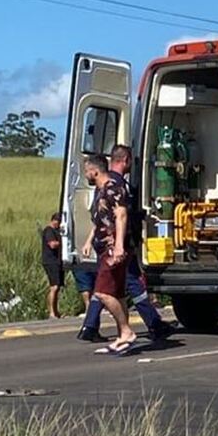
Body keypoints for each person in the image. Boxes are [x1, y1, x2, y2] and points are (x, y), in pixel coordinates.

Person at [78, 145, 174, 343]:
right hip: (118, 245)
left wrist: (90, 241)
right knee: (127, 286)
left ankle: (92, 325)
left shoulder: (104, 185)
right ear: (126, 160)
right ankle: (149, 325)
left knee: (108, 287)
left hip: (109, 245)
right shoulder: (116, 185)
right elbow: (119, 216)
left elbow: (100, 218)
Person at [80, 155, 137, 353]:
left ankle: (127, 331)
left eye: (86, 171)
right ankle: (123, 336)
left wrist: (119, 245)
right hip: (104, 247)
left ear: (94, 171)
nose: (85, 174)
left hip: (114, 248)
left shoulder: (113, 188)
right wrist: (88, 241)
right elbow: (100, 221)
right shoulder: (100, 192)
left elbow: (121, 215)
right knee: (118, 292)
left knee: (103, 293)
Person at [41, 213, 64, 319]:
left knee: (57, 287)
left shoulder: (56, 231)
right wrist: (62, 241)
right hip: (51, 261)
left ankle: (55, 311)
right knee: (54, 287)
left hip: (57, 261)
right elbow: (52, 244)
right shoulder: (49, 231)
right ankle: (51, 312)